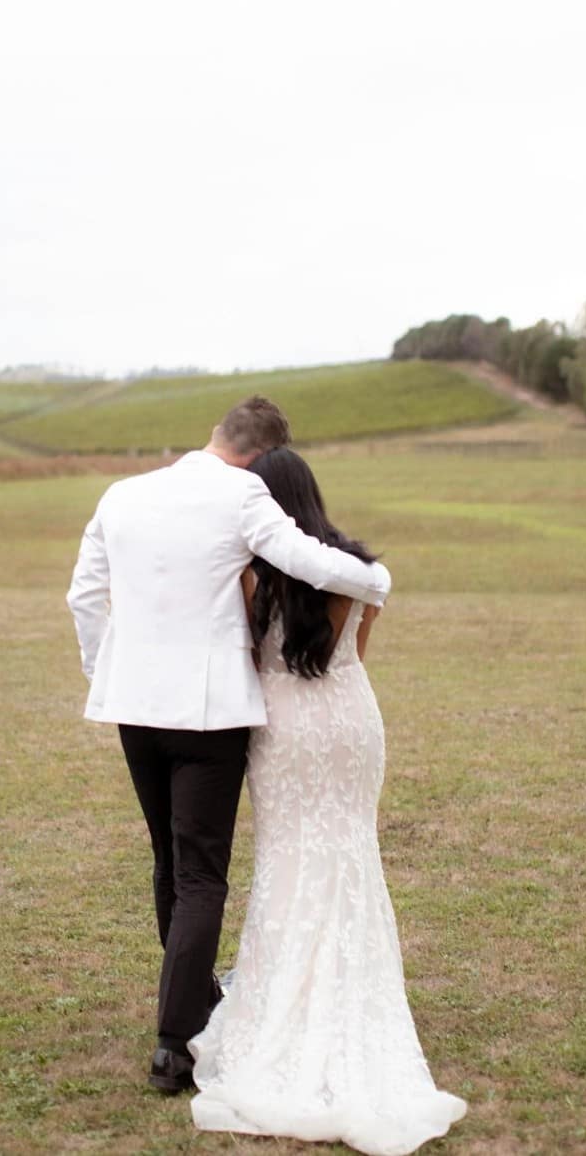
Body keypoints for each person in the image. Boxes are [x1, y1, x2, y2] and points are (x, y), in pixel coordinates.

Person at [65, 397, 391, 1093]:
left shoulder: (121, 494)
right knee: (201, 873)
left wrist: (106, 670)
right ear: (258, 457)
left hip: (133, 707)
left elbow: (84, 596)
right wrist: (375, 579)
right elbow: (305, 558)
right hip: (206, 714)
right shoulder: (242, 492)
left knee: (169, 859)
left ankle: (193, 1005)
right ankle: (175, 1043)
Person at [188, 447, 467, 1156]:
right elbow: (354, 654)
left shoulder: (254, 571)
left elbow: (250, 657)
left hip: (283, 727)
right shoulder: (353, 569)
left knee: (287, 857)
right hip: (350, 720)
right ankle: (350, 994)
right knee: (350, 853)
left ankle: (290, 1004)